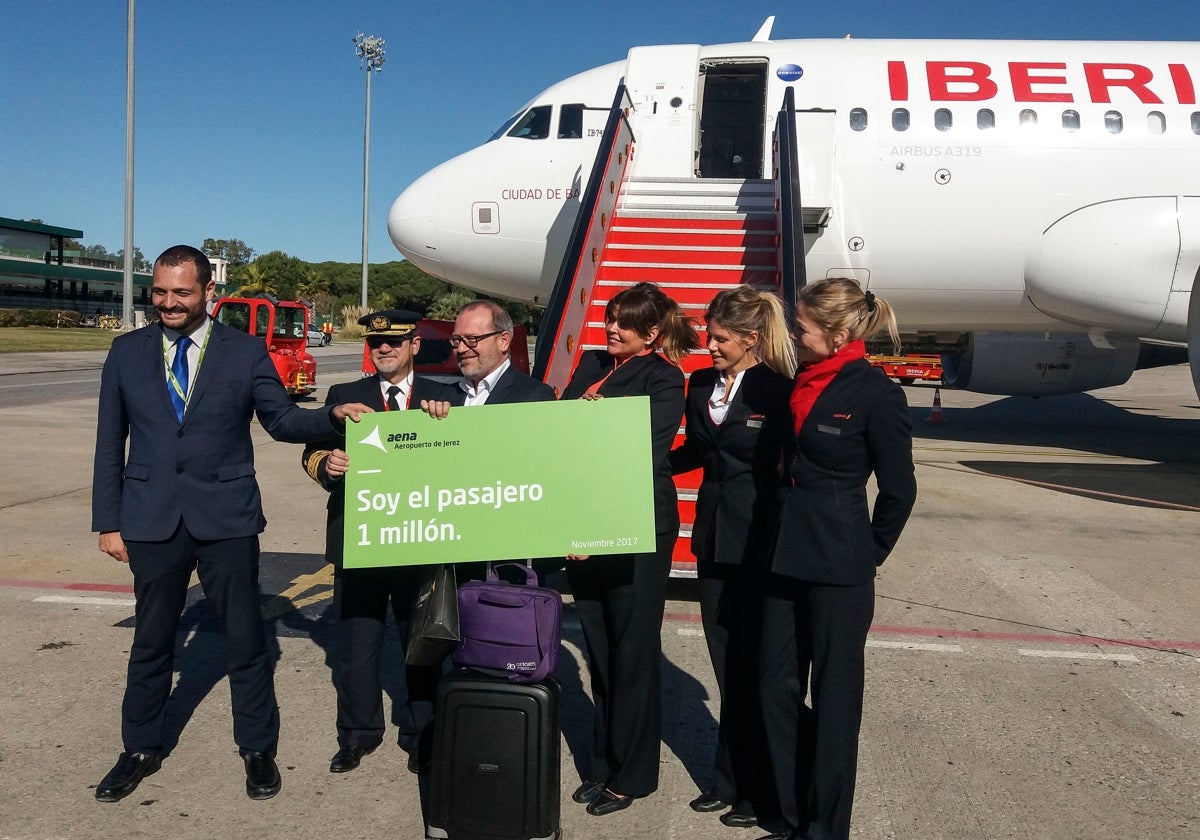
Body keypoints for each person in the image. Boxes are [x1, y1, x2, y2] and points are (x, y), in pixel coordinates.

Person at [91, 245, 372, 803]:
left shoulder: (243, 353)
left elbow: (281, 418)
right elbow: (108, 443)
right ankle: (139, 748)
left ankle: (258, 749)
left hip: (226, 519)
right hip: (151, 520)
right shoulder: (126, 352)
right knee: (150, 641)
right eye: (161, 292)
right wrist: (108, 521)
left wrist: (331, 416)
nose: (169, 303)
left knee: (246, 641)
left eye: (182, 293)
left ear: (208, 294)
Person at [757, 278, 917, 840]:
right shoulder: (797, 381)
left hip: (838, 568)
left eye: (802, 327)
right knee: (773, 686)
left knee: (834, 702)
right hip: (783, 558)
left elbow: (900, 490)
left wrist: (866, 553)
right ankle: (790, 805)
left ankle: (824, 827)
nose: (795, 336)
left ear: (839, 333)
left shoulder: (875, 394)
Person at [560, 281, 700, 816]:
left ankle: (634, 774)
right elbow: (561, 436)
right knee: (597, 648)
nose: (611, 328)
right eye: (610, 317)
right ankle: (602, 762)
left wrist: (585, 418)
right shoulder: (593, 363)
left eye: (623, 321)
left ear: (653, 332)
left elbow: (641, 448)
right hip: (585, 525)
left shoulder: (666, 379)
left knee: (633, 650)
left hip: (636, 525)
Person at [300, 310, 451, 776]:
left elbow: (463, 462)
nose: (383, 349)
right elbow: (312, 451)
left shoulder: (443, 399)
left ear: (414, 345)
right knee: (356, 646)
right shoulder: (346, 397)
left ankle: (421, 732)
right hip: (361, 538)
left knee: (421, 644)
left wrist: (449, 425)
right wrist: (328, 465)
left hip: (418, 540)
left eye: (394, 341)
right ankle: (357, 734)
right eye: (376, 342)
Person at [668, 286, 796, 831]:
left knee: (755, 667)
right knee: (726, 664)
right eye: (709, 336)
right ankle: (727, 779)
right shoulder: (700, 384)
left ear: (751, 338)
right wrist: (637, 466)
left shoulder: (777, 390)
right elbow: (697, 452)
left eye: (720, 339)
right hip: (713, 543)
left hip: (760, 547)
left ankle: (756, 786)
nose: (710, 346)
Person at [446, 299, 555, 407]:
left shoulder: (534, 397)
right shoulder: (442, 397)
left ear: (504, 341)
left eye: (472, 339)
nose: (461, 348)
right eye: (456, 340)